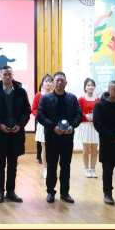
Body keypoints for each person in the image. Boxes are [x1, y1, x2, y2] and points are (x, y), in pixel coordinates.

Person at [0, 66, 31, 203]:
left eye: (9, 74)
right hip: (0, 133)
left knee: (13, 165)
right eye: (4, 74)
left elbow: (27, 110)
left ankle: (11, 191)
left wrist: (20, 125)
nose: (7, 76)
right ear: (0, 76)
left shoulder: (21, 91)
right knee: (0, 165)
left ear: (13, 75)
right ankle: (0, 191)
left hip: (16, 133)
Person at [37, 71, 83, 204]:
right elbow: (40, 115)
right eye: (57, 80)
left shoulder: (72, 98)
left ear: (66, 83)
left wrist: (72, 126)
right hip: (52, 137)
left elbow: (79, 114)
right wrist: (53, 127)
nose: (59, 83)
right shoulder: (45, 98)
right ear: (53, 83)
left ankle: (64, 193)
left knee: (66, 166)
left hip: (67, 138)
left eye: (62, 80)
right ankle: (50, 192)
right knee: (51, 166)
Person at [78, 78, 100, 178]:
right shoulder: (81, 99)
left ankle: (93, 169)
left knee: (94, 149)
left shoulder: (98, 100)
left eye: (92, 85)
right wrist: (85, 115)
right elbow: (78, 111)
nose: (90, 87)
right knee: (86, 149)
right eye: (88, 85)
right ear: (85, 87)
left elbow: (100, 112)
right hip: (85, 125)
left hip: (95, 126)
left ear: (94, 87)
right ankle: (87, 169)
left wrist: (96, 117)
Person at [32, 74, 54, 177]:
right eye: (46, 81)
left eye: (50, 81)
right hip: (42, 124)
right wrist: (41, 118)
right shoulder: (38, 95)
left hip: (53, 124)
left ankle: (52, 168)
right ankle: (45, 169)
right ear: (42, 83)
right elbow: (34, 109)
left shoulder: (55, 94)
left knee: (53, 147)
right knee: (44, 146)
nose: (48, 83)